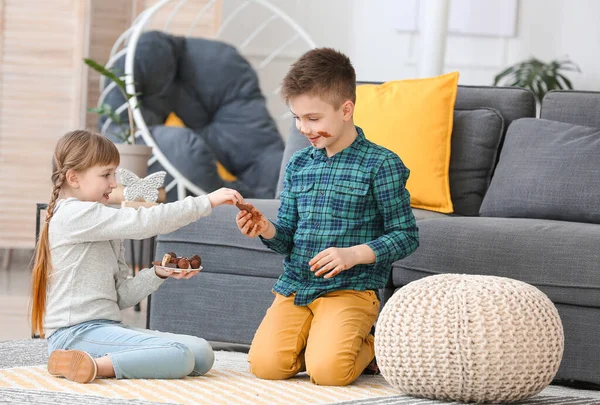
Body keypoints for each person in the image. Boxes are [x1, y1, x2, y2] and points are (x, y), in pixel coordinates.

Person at [236, 48, 419, 386]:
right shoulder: (299, 164)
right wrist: (265, 228)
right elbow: (286, 236)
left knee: (329, 373)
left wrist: (353, 254)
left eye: (313, 118)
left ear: (346, 109)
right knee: (266, 366)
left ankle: (372, 344)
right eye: (297, 117)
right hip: (296, 287)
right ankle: (324, 341)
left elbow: (406, 235)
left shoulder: (381, 164)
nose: (303, 128)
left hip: (351, 289)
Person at [31, 130, 244, 383]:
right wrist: (205, 202)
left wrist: (157, 273)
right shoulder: (72, 215)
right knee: (180, 356)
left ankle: (96, 360)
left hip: (105, 328)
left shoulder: (103, 224)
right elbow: (145, 221)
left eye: (114, 174)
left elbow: (122, 296)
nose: (113, 183)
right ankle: (89, 366)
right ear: (73, 177)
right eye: (106, 174)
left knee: (201, 353)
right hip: (74, 334)